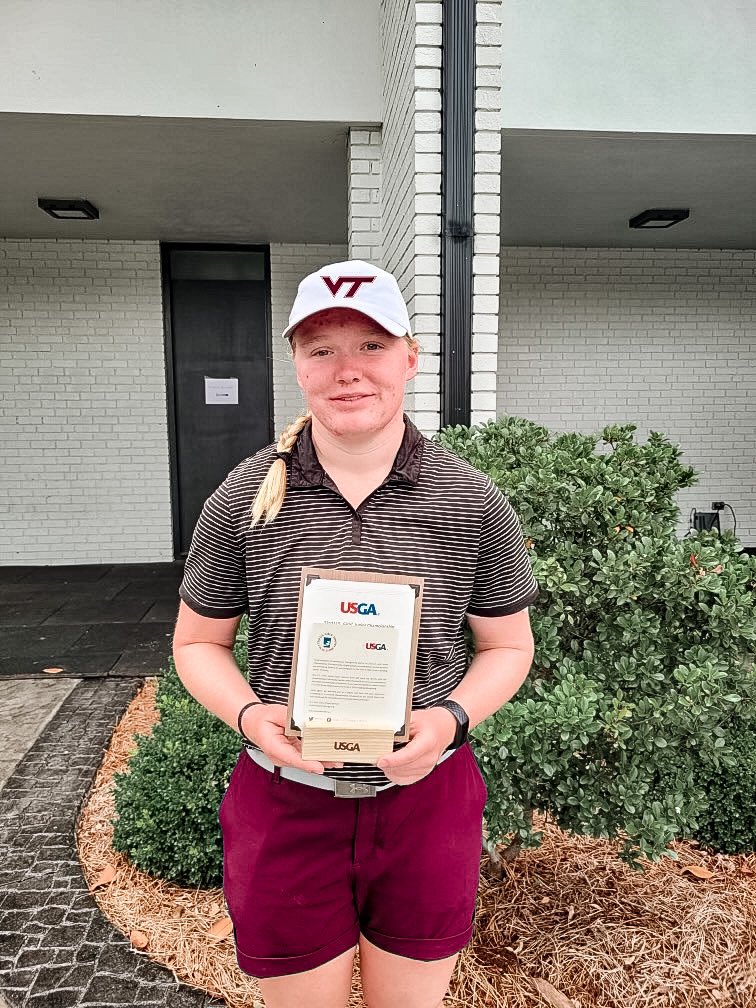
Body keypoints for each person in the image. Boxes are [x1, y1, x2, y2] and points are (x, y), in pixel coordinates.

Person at [172, 259, 538, 1008]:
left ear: (410, 357)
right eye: (322, 349)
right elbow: (196, 643)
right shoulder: (244, 495)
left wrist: (452, 718)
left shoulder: (471, 500)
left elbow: (509, 645)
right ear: (298, 366)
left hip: (426, 800)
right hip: (286, 803)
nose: (348, 370)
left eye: (370, 346)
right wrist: (248, 714)